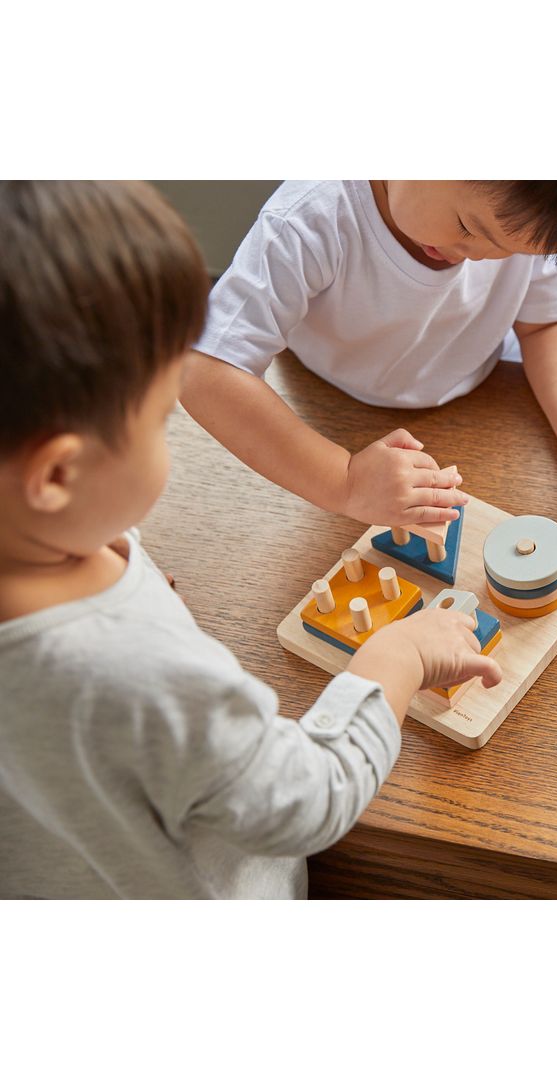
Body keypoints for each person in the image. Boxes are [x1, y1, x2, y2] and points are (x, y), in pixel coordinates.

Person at [0, 181, 501, 899]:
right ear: (57, 474)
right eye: (156, 418)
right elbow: (304, 800)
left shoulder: (44, 534)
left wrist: (125, 579)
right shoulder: (144, 678)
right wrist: (398, 656)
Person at [181, 181, 557, 526]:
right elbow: (205, 370)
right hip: (331, 400)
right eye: (467, 228)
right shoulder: (313, 215)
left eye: (511, 252)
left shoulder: (522, 220)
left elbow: (550, 323)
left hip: (483, 396)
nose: (477, 256)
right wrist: (343, 481)